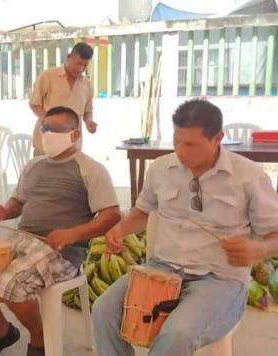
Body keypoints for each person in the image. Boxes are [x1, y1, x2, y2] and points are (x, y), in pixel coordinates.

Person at [92, 99, 278, 356]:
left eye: (191, 144)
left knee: (176, 334)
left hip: (219, 280)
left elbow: (274, 235)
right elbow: (142, 212)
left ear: (218, 138)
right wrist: (120, 230)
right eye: (177, 141)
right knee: (104, 311)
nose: (181, 151)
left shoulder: (249, 176)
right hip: (162, 268)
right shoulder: (161, 168)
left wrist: (258, 249)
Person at [0, 106, 121, 356]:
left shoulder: (91, 169)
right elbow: (17, 204)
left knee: (10, 285)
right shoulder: (33, 165)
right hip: (21, 239)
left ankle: (40, 339)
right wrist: (3, 211)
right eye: (45, 128)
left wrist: (73, 234)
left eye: (56, 129)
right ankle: (1, 331)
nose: (48, 134)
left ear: (75, 135)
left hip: (62, 251)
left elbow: (111, 216)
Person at [29, 42, 96, 156]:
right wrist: (51, 122)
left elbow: (87, 111)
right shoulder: (48, 76)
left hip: (72, 146)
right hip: (46, 142)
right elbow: (34, 104)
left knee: (70, 173)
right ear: (69, 57)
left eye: (85, 65)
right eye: (78, 63)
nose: (81, 69)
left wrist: (89, 122)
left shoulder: (87, 84)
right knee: (44, 173)